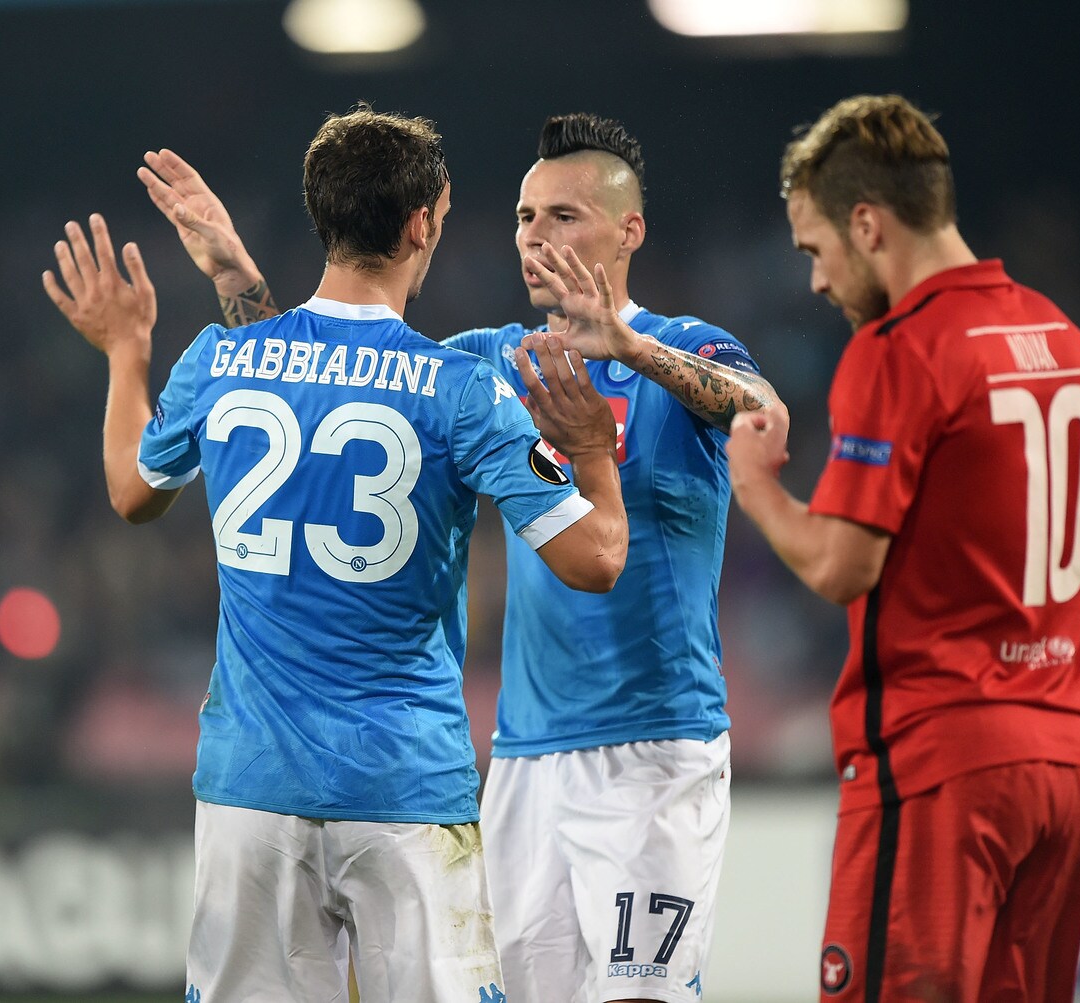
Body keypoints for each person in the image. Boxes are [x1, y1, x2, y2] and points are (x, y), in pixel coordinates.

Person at [137, 112, 783, 1003]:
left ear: (628, 230)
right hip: (523, 754)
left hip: (656, 750)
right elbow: (333, 382)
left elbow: (764, 412)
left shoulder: (686, 348)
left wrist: (630, 347)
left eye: (563, 216)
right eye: (524, 216)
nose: (534, 236)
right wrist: (239, 280)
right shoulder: (489, 363)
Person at [43, 106, 631, 1003]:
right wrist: (591, 450)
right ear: (422, 222)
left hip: (249, 791)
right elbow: (596, 559)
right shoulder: (461, 391)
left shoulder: (223, 360)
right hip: (405, 790)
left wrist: (127, 349)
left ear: (321, 214)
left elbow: (132, 491)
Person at [726, 94, 1080, 1002]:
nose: (817, 282)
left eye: (816, 249)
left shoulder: (899, 348)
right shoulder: (1064, 339)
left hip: (940, 770)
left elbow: (840, 564)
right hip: (1067, 762)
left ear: (868, 224)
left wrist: (757, 485)